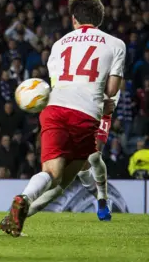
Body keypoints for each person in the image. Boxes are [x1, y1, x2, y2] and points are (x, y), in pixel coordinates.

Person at [1, 0, 125, 237]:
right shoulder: (115, 44)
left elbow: (55, 83)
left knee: (50, 172)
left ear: (74, 19)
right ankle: (18, 213)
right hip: (85, 114)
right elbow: (111, 90)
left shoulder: (59, 44)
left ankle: (22, 200)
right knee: (62, 182)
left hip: (53, 109)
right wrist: (107, 105)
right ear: (99, 18)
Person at [21, 91, 119, 222]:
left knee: (94, 156)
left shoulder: (109, 75)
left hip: (97, 112)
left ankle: (102, 199)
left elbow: (113, 88)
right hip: (70, 113)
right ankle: (18, 215)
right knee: (71, 175)